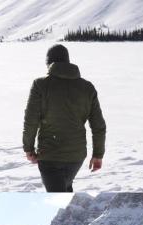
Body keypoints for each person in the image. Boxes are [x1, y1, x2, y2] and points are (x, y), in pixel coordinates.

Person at [22, 44, 106, 192]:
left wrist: (29, 149)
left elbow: (31, 121)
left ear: (49, 63)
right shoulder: (87, 88)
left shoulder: (40, 85)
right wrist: (98, 155)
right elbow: (98, 125)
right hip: (76, 157)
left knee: (58, 192)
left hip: (50, 156)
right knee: (65, 188)